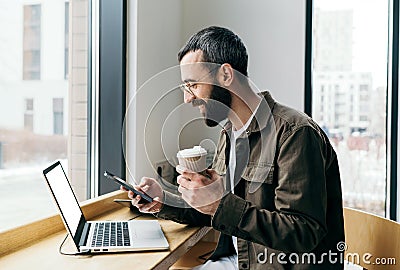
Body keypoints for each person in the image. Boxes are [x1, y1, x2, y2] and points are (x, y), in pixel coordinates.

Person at [122, 26, 345, 269]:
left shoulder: (295, 133)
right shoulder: (229, 133)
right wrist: (162, 200)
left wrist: (219, 204)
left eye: (193, 85)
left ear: (226, 75)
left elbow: (304, 232)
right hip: (239, 261)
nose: (188, 99)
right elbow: (218, 210)